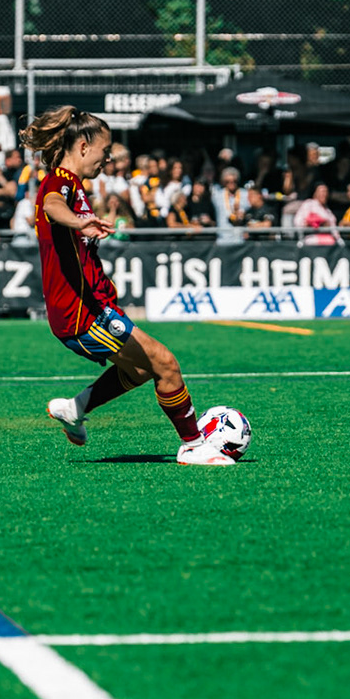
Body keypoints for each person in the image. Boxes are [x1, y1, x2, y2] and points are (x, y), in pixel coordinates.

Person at [24, 106, 228, 465]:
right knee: (166, 364)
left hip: (93, 307)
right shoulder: (59, 183)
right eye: (105, 153)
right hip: (80, 315)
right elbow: (53, 205)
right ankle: (194, 446)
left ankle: (76, 408)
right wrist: (79, 222)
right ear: (83, 147)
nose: (107, 161)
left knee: (138, 370)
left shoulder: (74, 185)